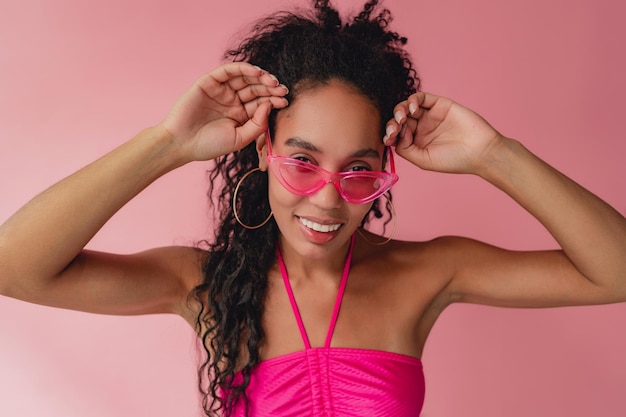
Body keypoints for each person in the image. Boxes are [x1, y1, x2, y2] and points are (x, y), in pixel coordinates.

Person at [0, 0, 625, 416]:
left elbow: (616, 273)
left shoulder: (432, 271)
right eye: (302, 161)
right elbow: (14, 267)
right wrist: (166, 143)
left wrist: (494, 153)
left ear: (387, 167)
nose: (328, 199)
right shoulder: (202, 283)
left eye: (358, 168)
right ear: (262, 147)